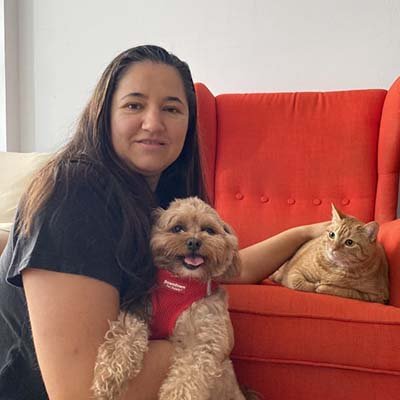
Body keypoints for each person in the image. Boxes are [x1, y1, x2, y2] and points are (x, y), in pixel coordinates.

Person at [0, 45, 328, 400]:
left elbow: (230, 264)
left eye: (171, 108)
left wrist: (305, 232)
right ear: (103, 115)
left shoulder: (153, 202)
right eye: (134, 105)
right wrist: (205, 349)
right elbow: (81, 391)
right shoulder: (74, 194)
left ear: (189, 124)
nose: (153, 123)